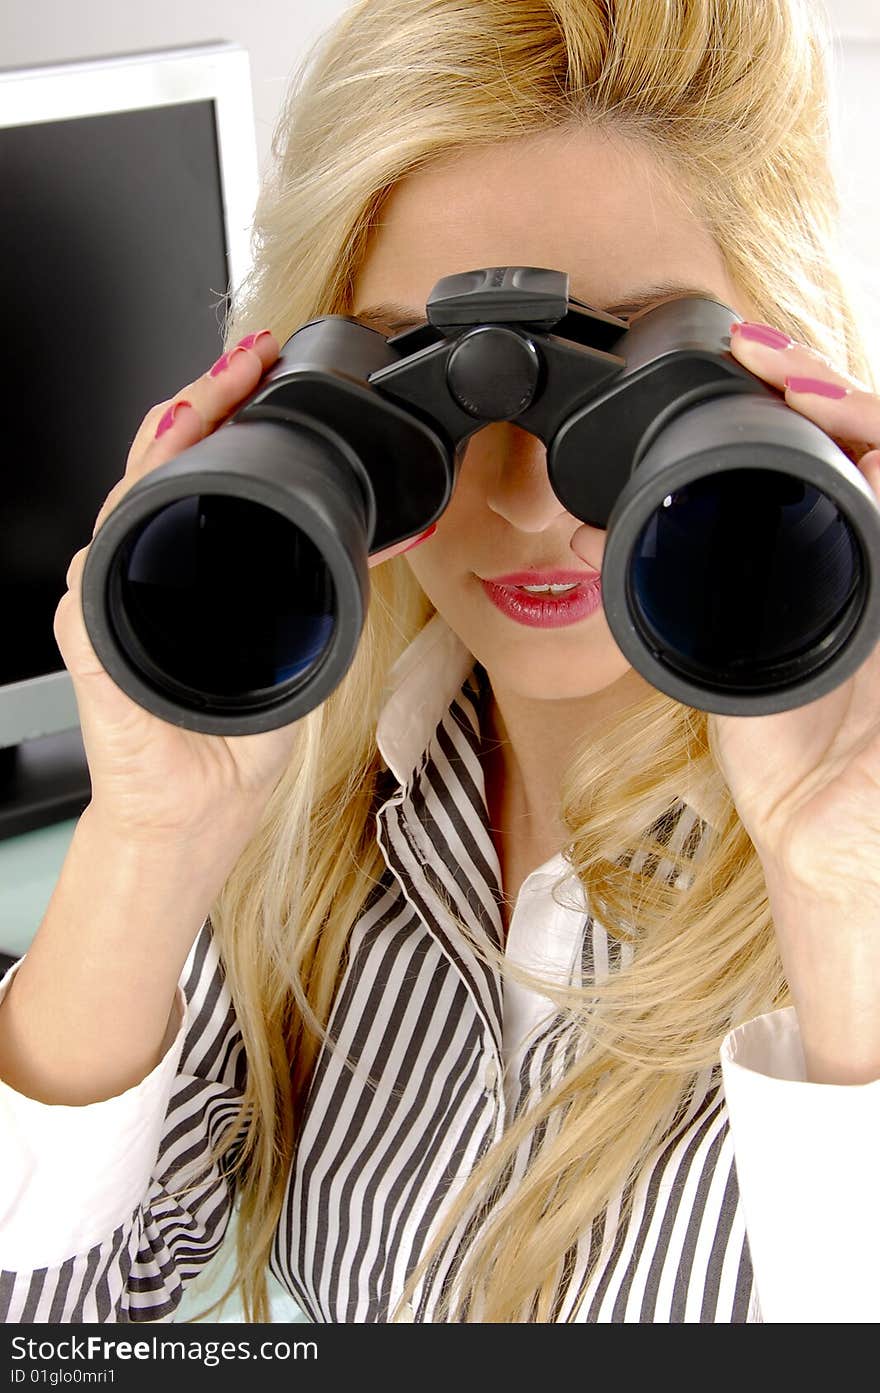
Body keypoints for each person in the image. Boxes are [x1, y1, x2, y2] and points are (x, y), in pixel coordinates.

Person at [1, 0, 878, 1326]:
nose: (526, 500)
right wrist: (149, 838)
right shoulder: (306, 817)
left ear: (789, 369)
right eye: (403, 370)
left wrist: (845, 881)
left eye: (642, 374)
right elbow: (51, 1323)